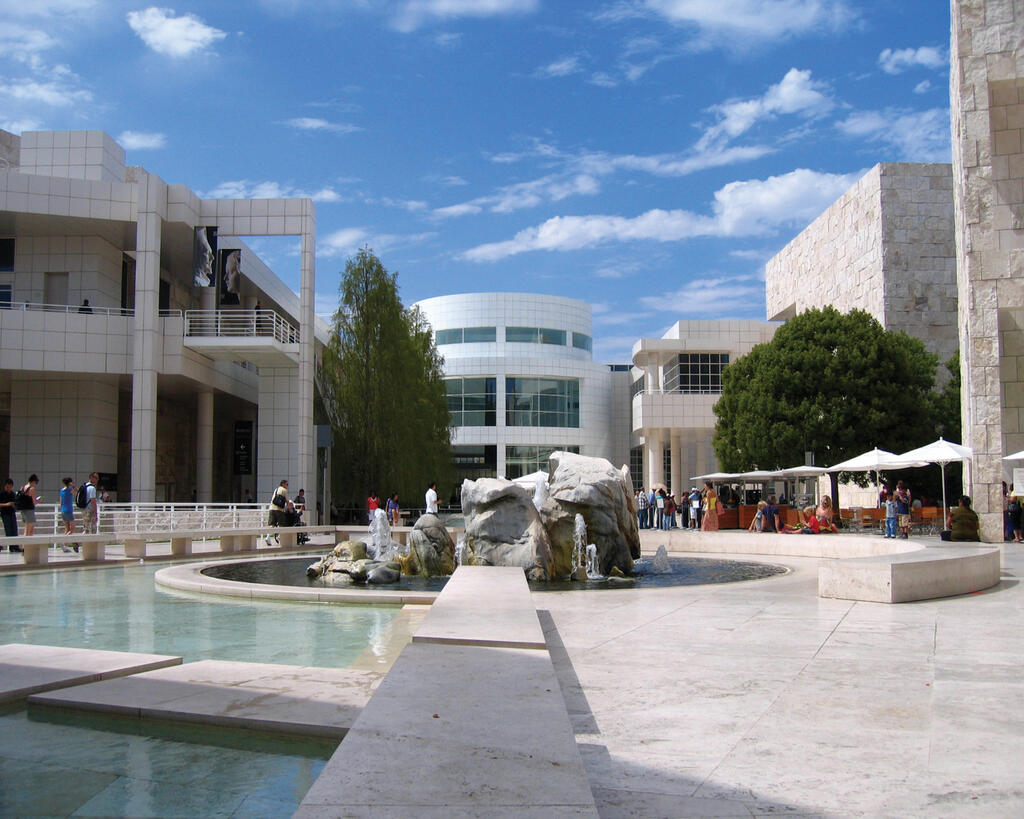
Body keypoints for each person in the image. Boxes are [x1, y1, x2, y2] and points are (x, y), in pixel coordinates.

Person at [59, 477, 79, 552]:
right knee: (73, 528)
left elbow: (61, 502)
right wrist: (73, 486)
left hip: (63, 510)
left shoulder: (61, 491)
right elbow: (77, 491)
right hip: (69, 510)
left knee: (67, 528)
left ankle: (65, 546)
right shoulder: (69, 490)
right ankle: (63, 542)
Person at [266, 479, 288, 545]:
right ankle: (279, 537)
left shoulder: (276, 489)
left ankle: (268, 537)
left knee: (271, 524)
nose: (287, 486)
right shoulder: (284, 490)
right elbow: (287, 501)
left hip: (272, 508)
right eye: (287, 484)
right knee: (281, 524)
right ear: (283, 484)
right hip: (279, 510)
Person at [0, 478, 19, 551]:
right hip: (5, 514)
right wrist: (6, 504)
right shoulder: (1, 494)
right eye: (7, 487)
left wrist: (14, 505)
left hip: (12, 513)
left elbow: (16, 503)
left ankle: (15, 546)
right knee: (8, 530)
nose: (8, 488)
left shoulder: (13, 494)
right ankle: (11, 547)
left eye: (10, 487)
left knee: (14, 529)